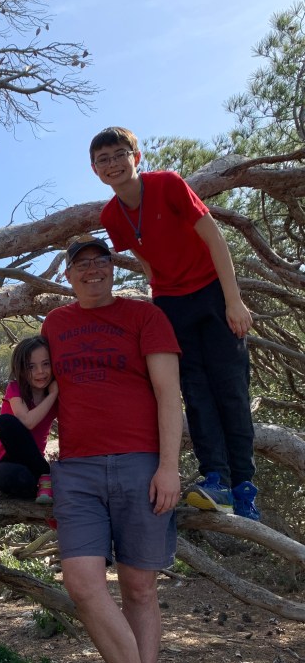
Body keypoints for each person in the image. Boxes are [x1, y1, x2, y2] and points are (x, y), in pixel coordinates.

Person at [42, 235, 184, 663]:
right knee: (82, 583)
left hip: (140, 463)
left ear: (112, 267)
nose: (92, 271)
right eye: (81, 265)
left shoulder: (145, 316)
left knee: (139, 589)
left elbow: (168, 394)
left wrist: (168, 467)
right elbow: (36, 389)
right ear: (69, 275)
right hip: (76, 469)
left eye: (100, 261)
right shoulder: (55, 324)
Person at [90, 126, 258, 520]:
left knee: (231, 389)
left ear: (136, 156)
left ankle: (244, 489)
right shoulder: (111, 215)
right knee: (195, 391)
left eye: (119, 154)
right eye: (103, 160)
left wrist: (233, 301)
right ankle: (216, 479)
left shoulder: (167, 184)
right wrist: (158, 297)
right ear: (95, 170)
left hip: (212, 292)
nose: (113, 164)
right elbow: (144, 257)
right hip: (171, 303)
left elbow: (215, 239)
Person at [0, 336, 58, 504]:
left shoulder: (58, 400)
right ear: (21, 369)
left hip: (33, 461)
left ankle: (42, 480)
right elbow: (27, 421)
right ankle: (43, 476)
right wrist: (53, 394)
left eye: (46, 364)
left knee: (27, 476)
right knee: (5, 422)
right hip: (4, 460)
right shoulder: (15, 388)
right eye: (31, 367)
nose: (40, 371)